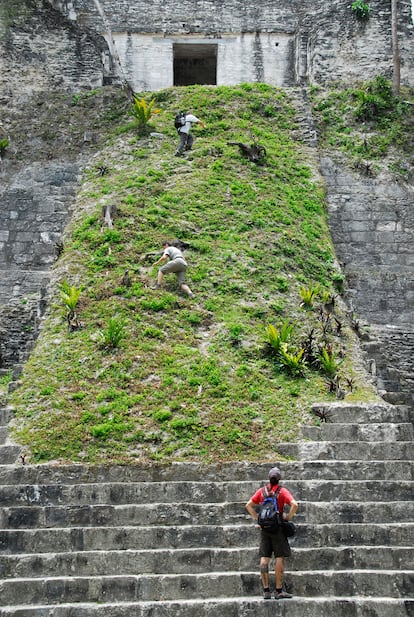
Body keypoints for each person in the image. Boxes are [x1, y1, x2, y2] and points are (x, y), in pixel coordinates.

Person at [245, 466, 298, 600]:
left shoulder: (262, 491)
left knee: (264, 559)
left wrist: (258, 518)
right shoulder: (282, 491)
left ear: (269, 478)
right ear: (279, 479)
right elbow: (295, 504)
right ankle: (279, 591)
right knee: (279, 557)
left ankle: (266, 590)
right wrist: (288, 517)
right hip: (278, 528)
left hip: (265, 529)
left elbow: (248, 505)